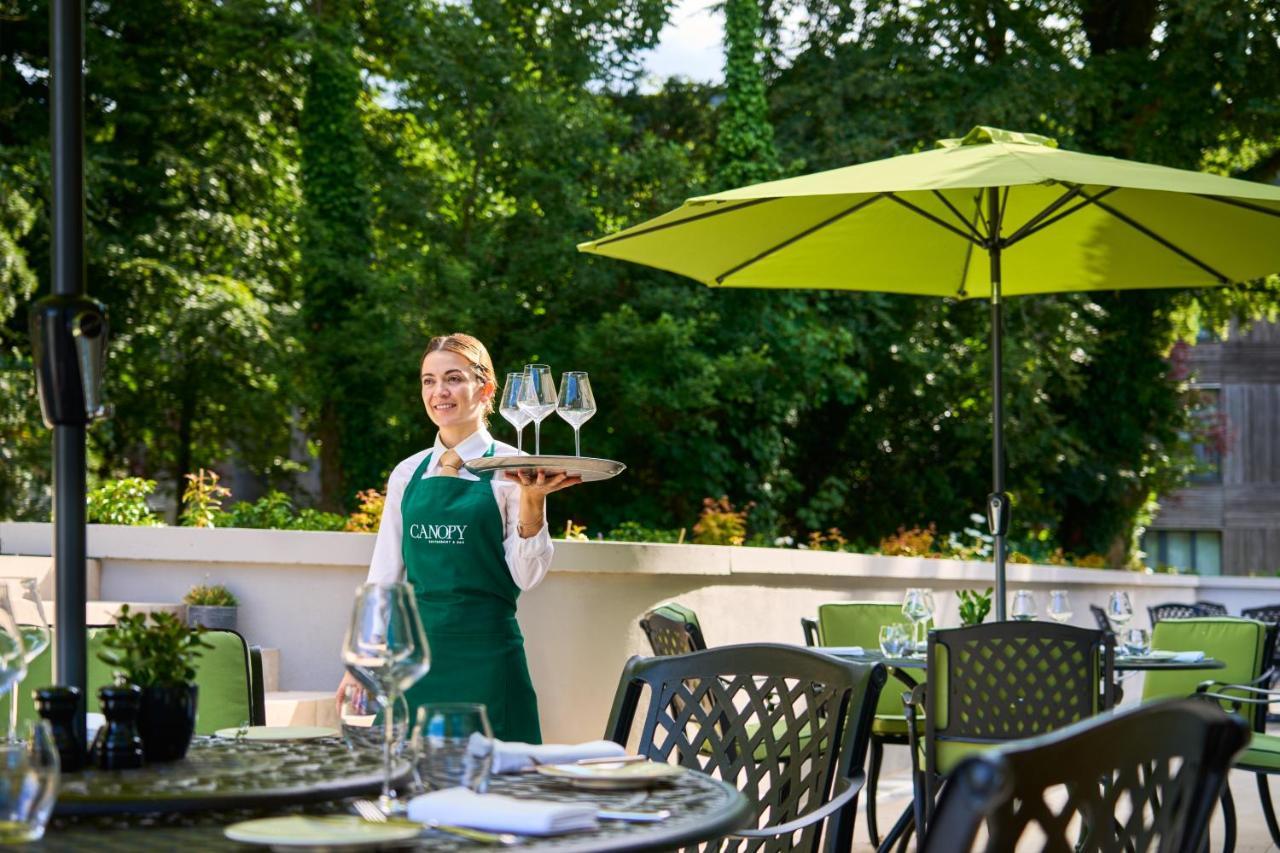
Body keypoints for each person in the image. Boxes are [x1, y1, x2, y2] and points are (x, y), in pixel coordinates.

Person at [335, 333, 579, 742]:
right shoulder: (407, 473)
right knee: (407, 790)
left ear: (484, 389)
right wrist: (362, 661)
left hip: (488, 656)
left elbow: (527, 577)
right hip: (413, 662)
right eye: (428, 381)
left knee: (499, 791)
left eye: (452, 378)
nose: (438, 392)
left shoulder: (514, 469)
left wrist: (533, 505)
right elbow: (384, 576)